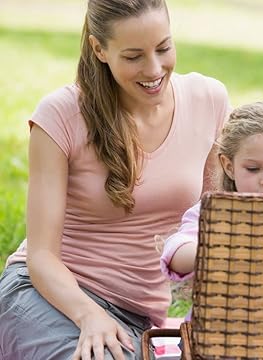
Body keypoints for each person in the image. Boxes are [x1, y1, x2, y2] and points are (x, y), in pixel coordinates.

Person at [0, 0, 230, 359]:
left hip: (146, 318)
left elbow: (216, 229)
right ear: (99, 49)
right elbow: (41, 257)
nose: (154, 68)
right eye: (134, 56)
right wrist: (89, 315)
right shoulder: (60, 114)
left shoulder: (209, 100)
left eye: (164, 48)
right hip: (53, 296)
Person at [160, 101, 263, 286]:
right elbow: (175, 252)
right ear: (229, 166)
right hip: (222, 313)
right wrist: (227, 252)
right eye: (253, 168)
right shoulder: (213, 212)